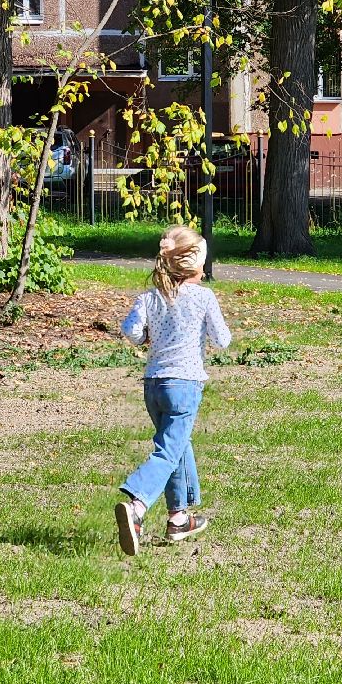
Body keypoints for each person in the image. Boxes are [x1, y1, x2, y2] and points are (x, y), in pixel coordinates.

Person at [114, 225, 232, 557]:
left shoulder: (149, 298)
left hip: (154, 386)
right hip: (185, 385)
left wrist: (148, 337)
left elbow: (132, 332)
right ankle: (137, 505)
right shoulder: (204, 297)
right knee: (167, 452)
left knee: (176, 444)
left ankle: (179, 517)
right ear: (197, 264)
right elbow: (222, 339)